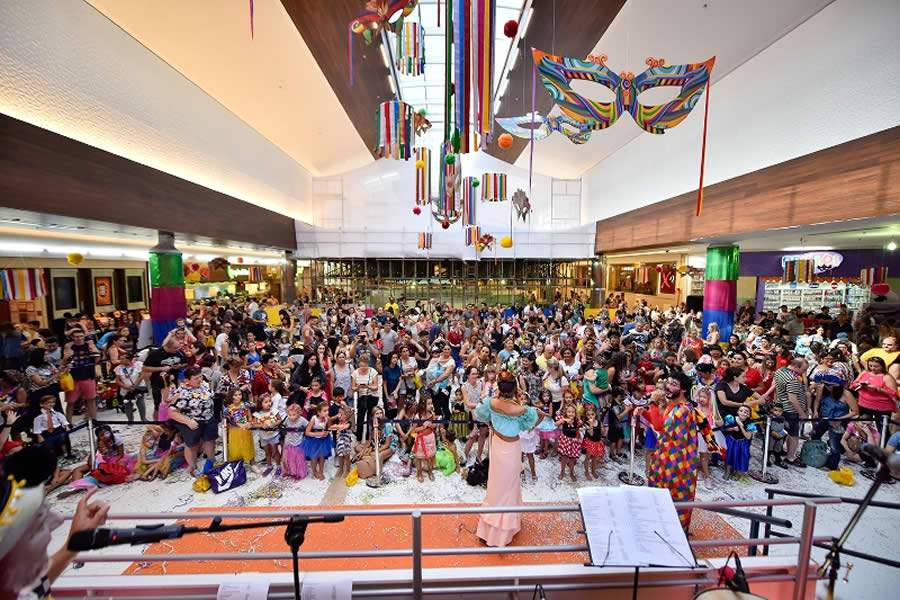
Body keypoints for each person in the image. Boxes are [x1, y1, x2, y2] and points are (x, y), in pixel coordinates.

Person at [0, 447, 110, 600]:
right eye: (39, 525)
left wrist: (71, 547)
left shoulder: (13, 584)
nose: (58, 521)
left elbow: (33, 587)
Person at [473, 370, 538, 547]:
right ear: (515, 388)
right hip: (512, 448)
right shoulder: (524, 410)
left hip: (497, 444)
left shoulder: (491, 402)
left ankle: (488, 529)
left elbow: (480, 414)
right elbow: (529, 424)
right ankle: (504, 532)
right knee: (509, 487)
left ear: (499, 388)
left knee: (495, 485)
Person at [645, 373, 711, 532]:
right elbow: (660, 425)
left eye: (673, 384)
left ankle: (673, 534)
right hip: (664, 459)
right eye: (668, 383)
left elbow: (662, 429)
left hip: (677, 466)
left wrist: (653, 404)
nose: (668, 386)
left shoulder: (682, 410)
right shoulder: (673, 406)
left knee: (672, 500)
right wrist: (645, 411)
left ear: (683, 390)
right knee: (660, 497)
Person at [166, 366, 217, 476]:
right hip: (193, 421)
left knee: (210, 440)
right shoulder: (182, 393)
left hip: (208, 418)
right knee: (192, 445)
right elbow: (172, 412)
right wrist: (188, 422)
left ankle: (211, 460)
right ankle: (193, 466)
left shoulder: (203, 384)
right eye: (196, 378)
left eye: (200, 377)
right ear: (187, 380)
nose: (200, 380)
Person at [774, 359, 809, 468]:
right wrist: (802, 413)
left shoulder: (780, 371)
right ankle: (790, 457)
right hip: (791, 410)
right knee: (793, 435)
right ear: (796, 367)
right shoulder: (792, 379)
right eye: (803, 369)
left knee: (782, 433)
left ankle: (778, 452)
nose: (804, 372)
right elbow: (793, 399)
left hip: (781, 406)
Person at [61, 328, 100, 422]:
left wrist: (93, 349)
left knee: (91, 399)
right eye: (76, 336)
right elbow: (63, 362)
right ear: (72, 337)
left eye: (81, 336)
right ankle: (68, 423)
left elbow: (97, 359)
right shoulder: (69, 347)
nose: (79, 338)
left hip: (88, 375)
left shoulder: (89, 346)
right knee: (71, 402)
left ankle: (93, 420)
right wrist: (66, 356)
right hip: (73, 377)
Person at [351, 354, 380, 441]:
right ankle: (359, 438)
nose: (363, 367)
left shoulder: (373, 371)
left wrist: (368, 386)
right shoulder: (355, 373)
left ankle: (369, 438)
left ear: (368, 364)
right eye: (361, 365)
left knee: (370, 417)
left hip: (372, 396)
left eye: (365, 365)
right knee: (360, 417)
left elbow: (376, 387)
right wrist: (358, 387)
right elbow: (353, 388)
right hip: (362, 396)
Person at [302, 402, 334, 480]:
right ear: (319, 412)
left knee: (322, 456)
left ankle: (321, 471)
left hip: (323, 440)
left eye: (328, 410)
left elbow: (329, 427)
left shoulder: (327, 418)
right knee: (314, 457)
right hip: (313, 440)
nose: (327, 412)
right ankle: (314, 471)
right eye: (325, 411)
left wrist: (327, 431)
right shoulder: (314, 419)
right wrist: (319, 433)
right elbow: (307, 432)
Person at [223, 388, 255, 464]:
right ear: (231, 396)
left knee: (248, 446)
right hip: (234, 431)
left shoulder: (245, 405)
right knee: (236, 448)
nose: (238, 397)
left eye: (240, 394)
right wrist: (238, 425)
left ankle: (252, 463)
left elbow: (249, 416)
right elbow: (228, 422)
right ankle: (236, 464)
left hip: (246, 430)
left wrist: (250, 423)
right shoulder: (228, 409)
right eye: (235, 395)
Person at [282, 400, 309, 479]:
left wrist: (304, 431)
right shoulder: (287, 419)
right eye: (289, 415)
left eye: (294, 415)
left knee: (298, 459)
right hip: (288, 442)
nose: (291, 417)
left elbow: (309, 425)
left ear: (299, 413)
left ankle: (298, 473)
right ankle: (289, 471)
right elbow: (283, 426)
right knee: (288, 458)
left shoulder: (302, 420)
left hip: (298, 443)